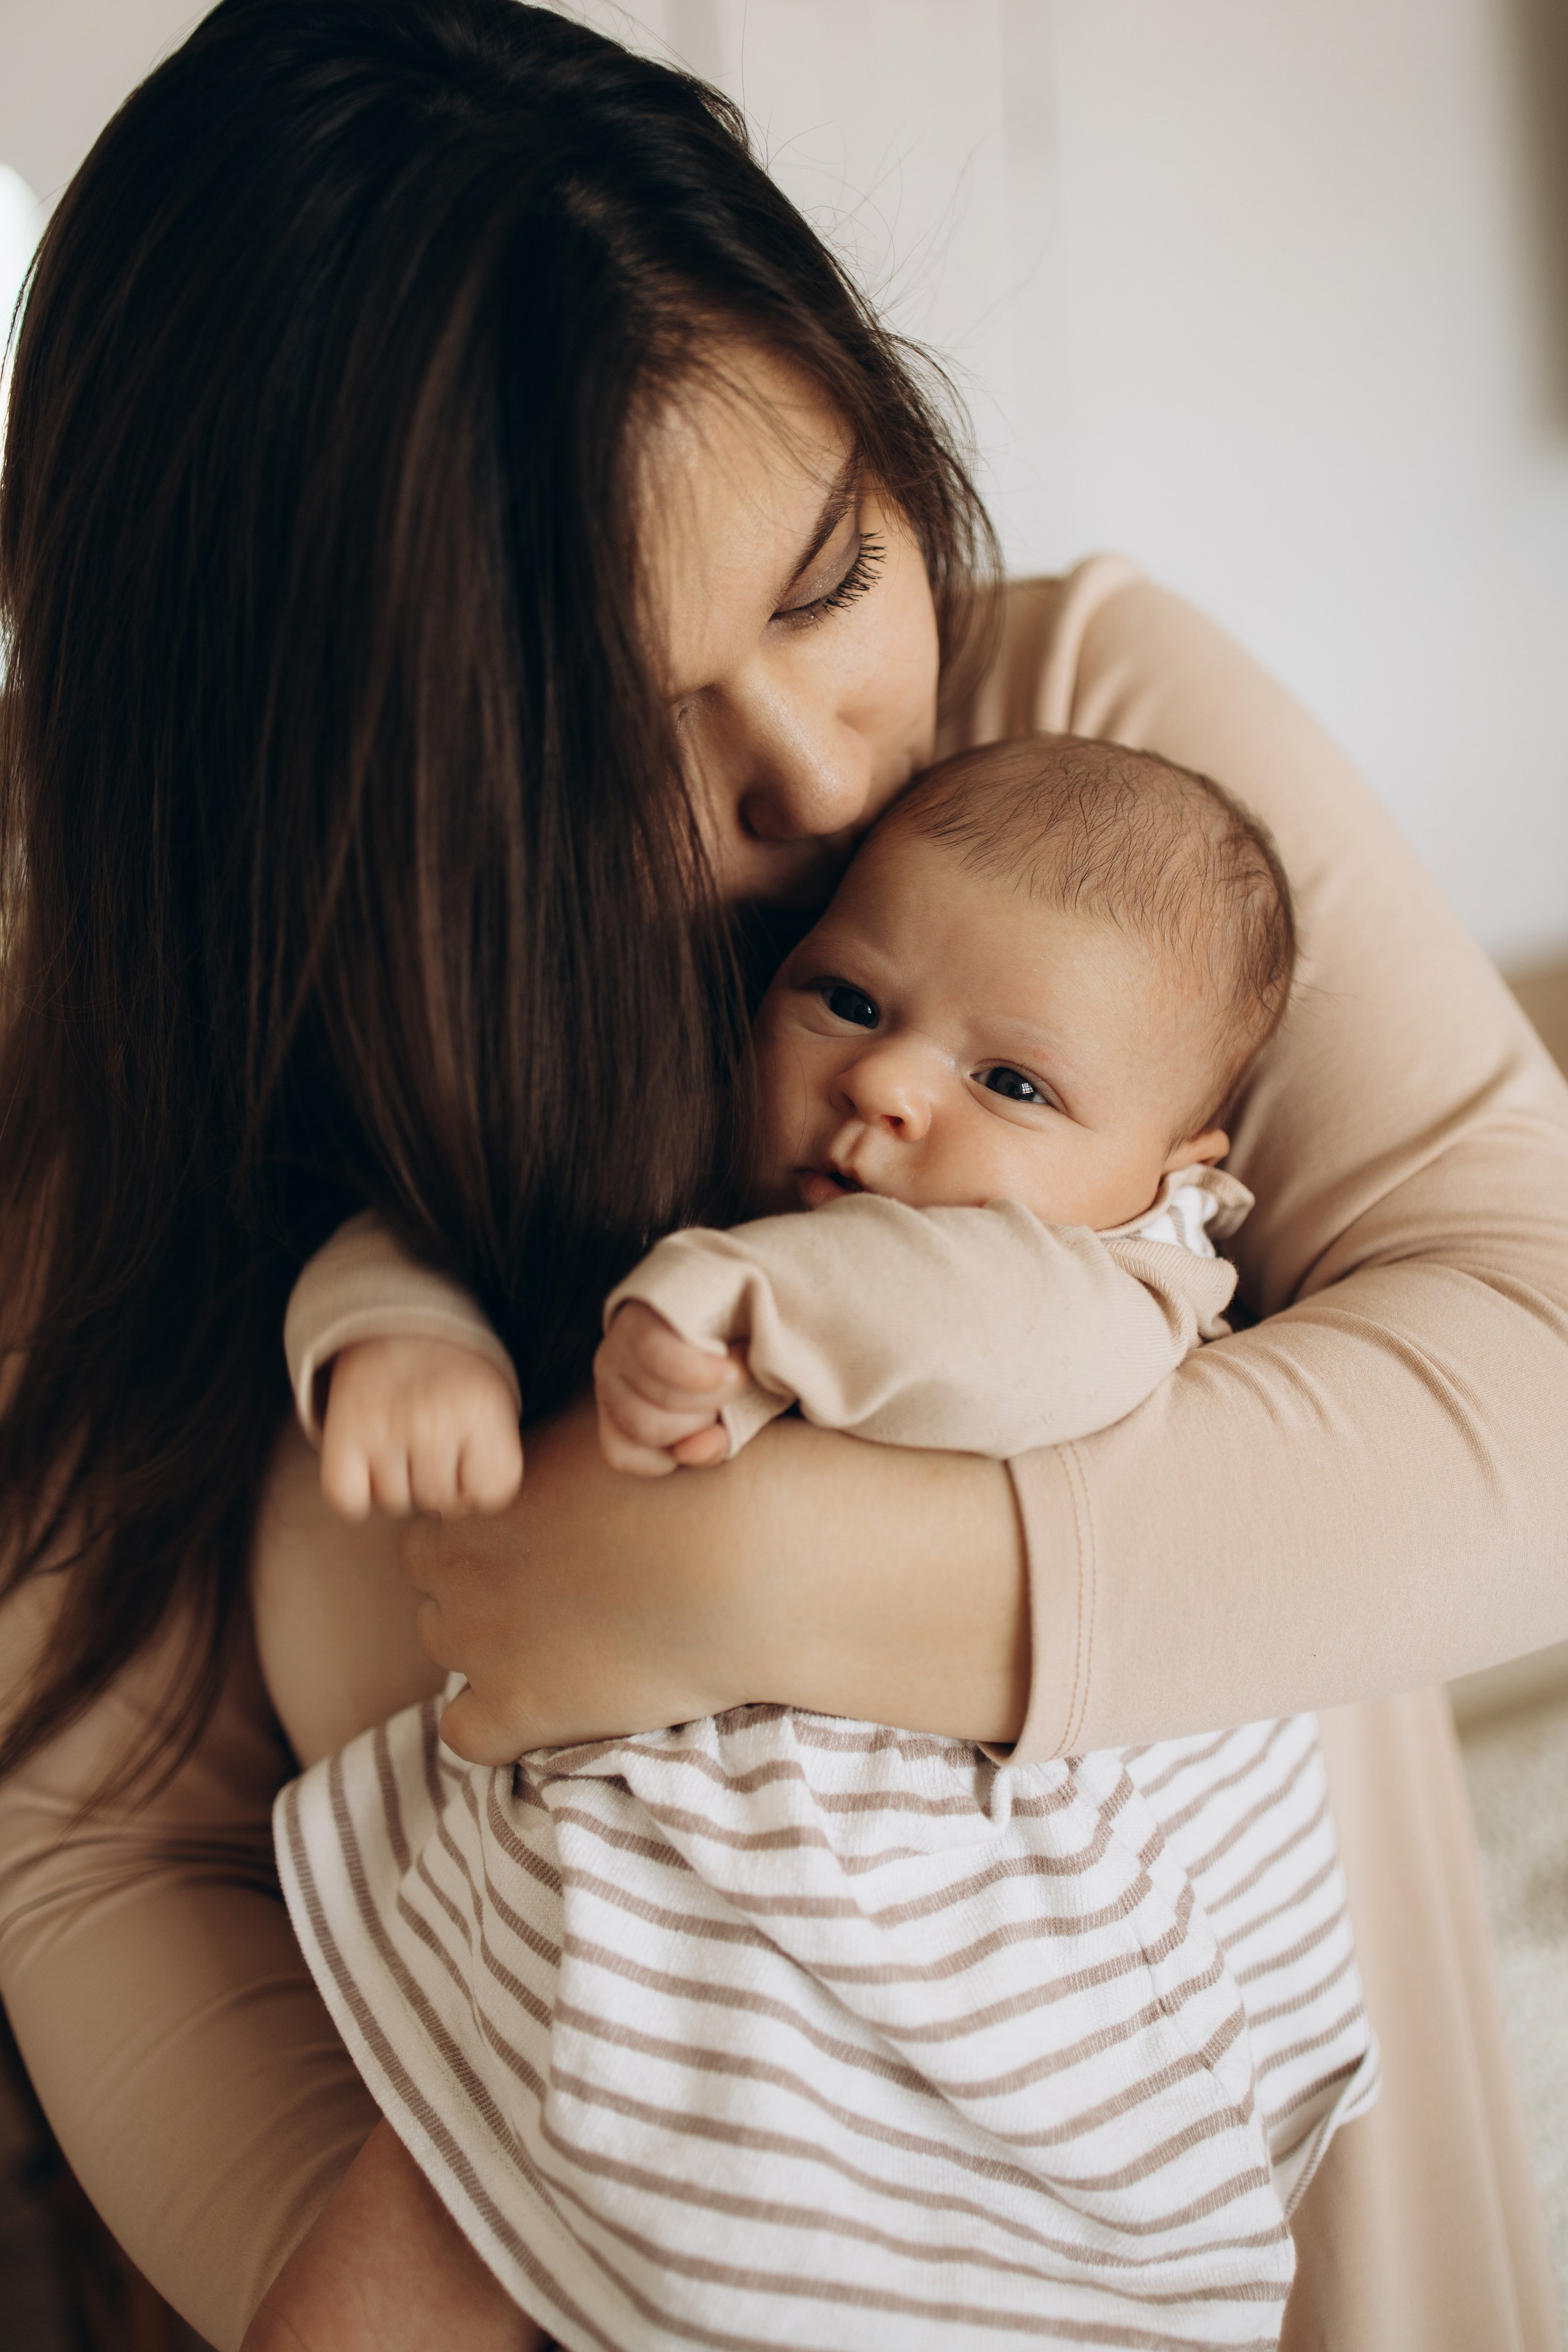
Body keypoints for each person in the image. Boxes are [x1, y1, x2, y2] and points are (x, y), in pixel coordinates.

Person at [0, 5, 1561, 2350]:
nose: (830, 778)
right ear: (322, 783)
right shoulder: (155, 1115)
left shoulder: (1094, 771)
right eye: (627, 733)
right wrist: (567, 2274)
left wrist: (752, 1570)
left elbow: (1537, 1372)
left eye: (834, 578)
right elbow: (102, 1841)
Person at [272, 733, 1379, 2348]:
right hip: (656, 1900)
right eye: (849, 1000)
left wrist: (770, 1295)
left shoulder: (1118, 1279)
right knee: (430, 2197)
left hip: (972, 1950)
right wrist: (398, 1338)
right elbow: (431, 1224)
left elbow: (1010, 1337)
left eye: (1011, 1082)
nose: (887, 1084)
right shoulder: (687, 1153)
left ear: (1173, 1172)